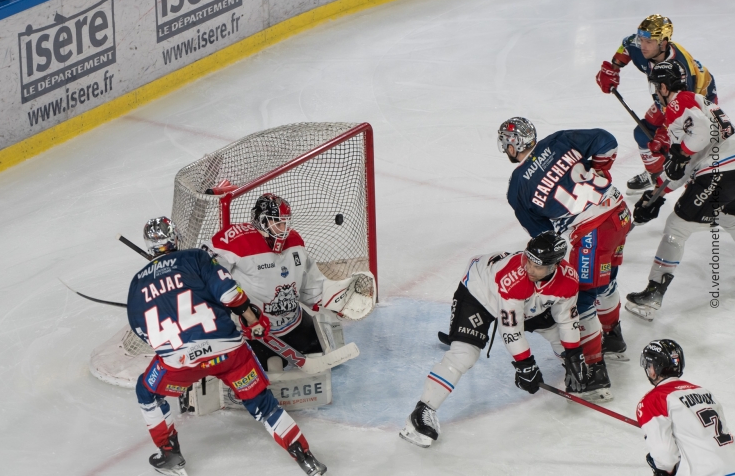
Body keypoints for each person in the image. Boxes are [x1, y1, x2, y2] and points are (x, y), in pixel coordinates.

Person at [127, 217, 326, 476]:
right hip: (228, 351)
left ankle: (170, 454)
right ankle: (306, 458)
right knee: (264, 405)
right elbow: (231, 294)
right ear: (175, 239)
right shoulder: (195, 257)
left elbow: (142, 331)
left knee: (146, 392)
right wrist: (253, 320)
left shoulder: (136, 284)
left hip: (181, 361)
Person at [400, 232, 587, 448]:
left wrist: (574, 355)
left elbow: (567, 319)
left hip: (525, 303)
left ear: (554, 266)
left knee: (557, 334)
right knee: (465, 354)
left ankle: (574, 372)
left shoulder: (567, 279)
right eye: (528, 260)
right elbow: (511, 329)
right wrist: (525, 365)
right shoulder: (515, 278)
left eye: (537, 266)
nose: (529, 268)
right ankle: (422, 411)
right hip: (480, 293)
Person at [497, 117, 633, 401]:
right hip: (619, 213)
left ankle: (595, 373)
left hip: (591, 232)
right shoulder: (558, 140)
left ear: (512, 145)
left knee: (581, 298)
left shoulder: (517, 187)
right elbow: (607, 140)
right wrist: (601, 172)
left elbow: (545, 237)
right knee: (605, 282)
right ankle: (613, 337)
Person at [201, 193, 375, 371]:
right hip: (254, 333)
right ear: (262, 222)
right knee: (261, 377)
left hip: (294, 324)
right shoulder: (236, 240)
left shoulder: (294, 241)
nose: (284, 228)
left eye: (285, 222)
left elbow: (310, 284)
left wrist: (335, 300)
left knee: (325, 368)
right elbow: (205, 268)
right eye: (277, 222)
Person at [625, 60, 735, 321]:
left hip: (720, 171)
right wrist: (655, 195)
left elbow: (701, 136)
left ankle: (653, 294)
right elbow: (685, 165)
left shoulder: (678, 102)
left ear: (664, 86)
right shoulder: (696, 100)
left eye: (656, 86)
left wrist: (680, 153)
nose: (655, 92)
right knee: (729, 218)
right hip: (728, 168)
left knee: (677, 227)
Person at [595, 14, 717, 195]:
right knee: (642, 132)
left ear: (664, 43)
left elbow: (684, 112)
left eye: (649, 42)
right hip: (665, 97)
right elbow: (627, 45)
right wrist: (613, 68)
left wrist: (666, 134)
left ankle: (699, 186)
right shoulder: (642, 46)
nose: (642, 46)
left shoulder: (680, 72)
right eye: (642, 39)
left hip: (698, 99)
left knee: (689, 149)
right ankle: (655, 174)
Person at [636, 339, 734, 475]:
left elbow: (665, 455)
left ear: (654, 369)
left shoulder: (654, 399)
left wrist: (663, 470)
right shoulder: (705, 392)